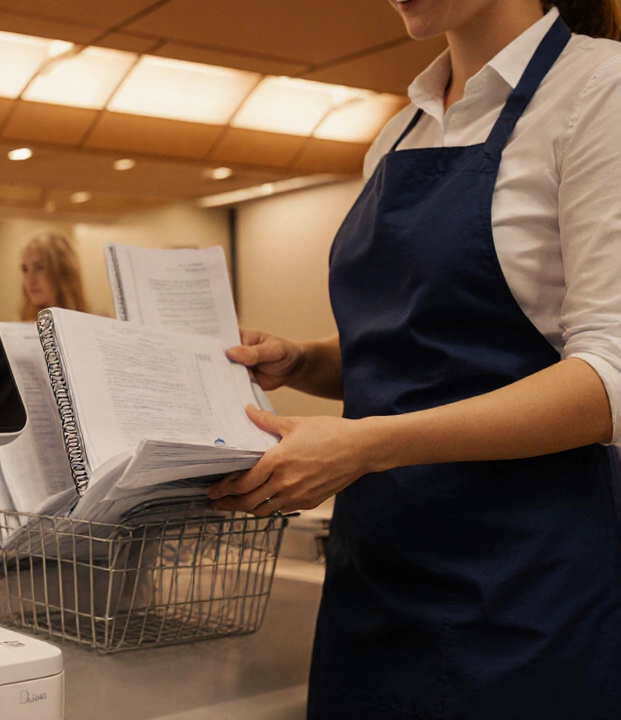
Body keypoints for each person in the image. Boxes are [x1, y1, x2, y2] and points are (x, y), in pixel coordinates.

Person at [206, 1, 621, 717]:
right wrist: (302, 359)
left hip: (522, 596)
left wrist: (368, 445)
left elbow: (611, 377)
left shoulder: (599, 91)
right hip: (375, 584)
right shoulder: (401, 130)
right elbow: (421, 341)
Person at [18, 232, 88, 321]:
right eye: (25, 269)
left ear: (61, 271)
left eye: (39, 268)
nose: (30, 280)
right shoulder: (20, 329)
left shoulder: (92, 325)